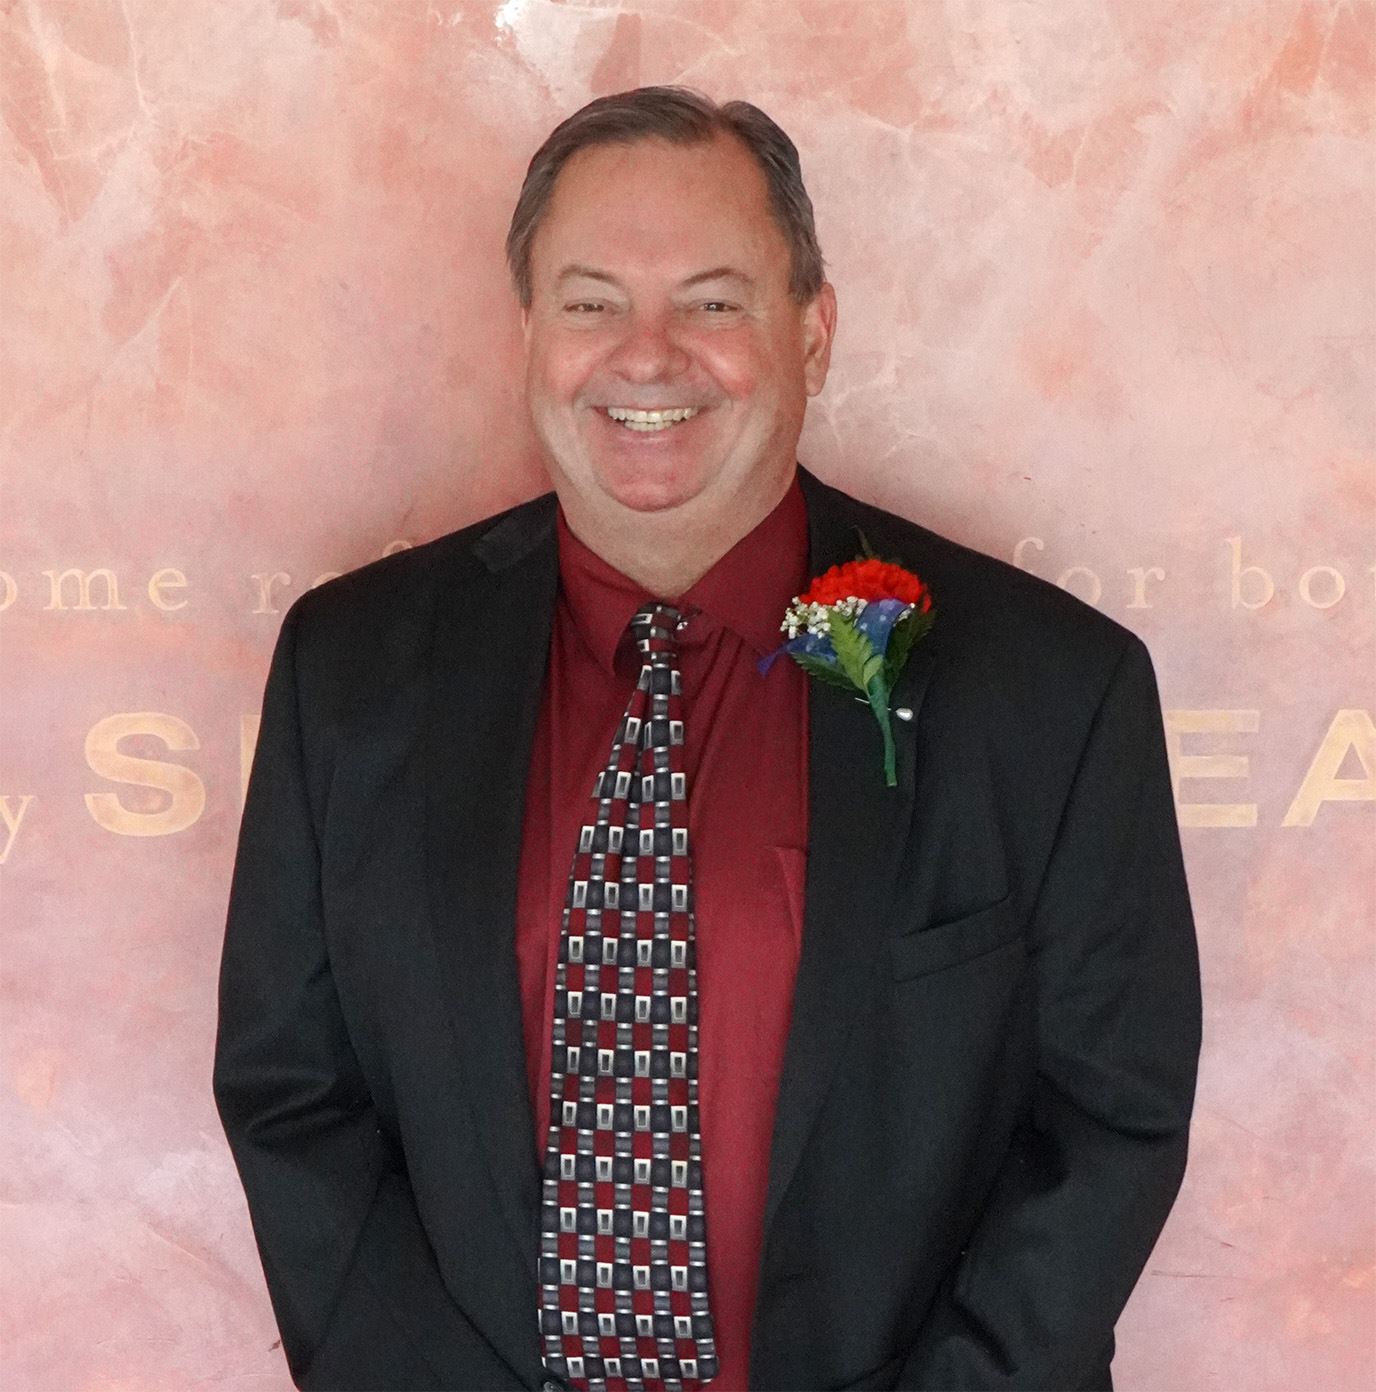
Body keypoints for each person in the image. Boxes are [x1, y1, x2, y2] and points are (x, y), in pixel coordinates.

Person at [213, 87, 1201, 1392]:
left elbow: (1109, 1119)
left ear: (813, 329)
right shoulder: (350, 673)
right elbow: (294, 1092)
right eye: (591, 302)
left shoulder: (1051, 693)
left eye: (714, 301)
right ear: (528, 337)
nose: (647, 355)